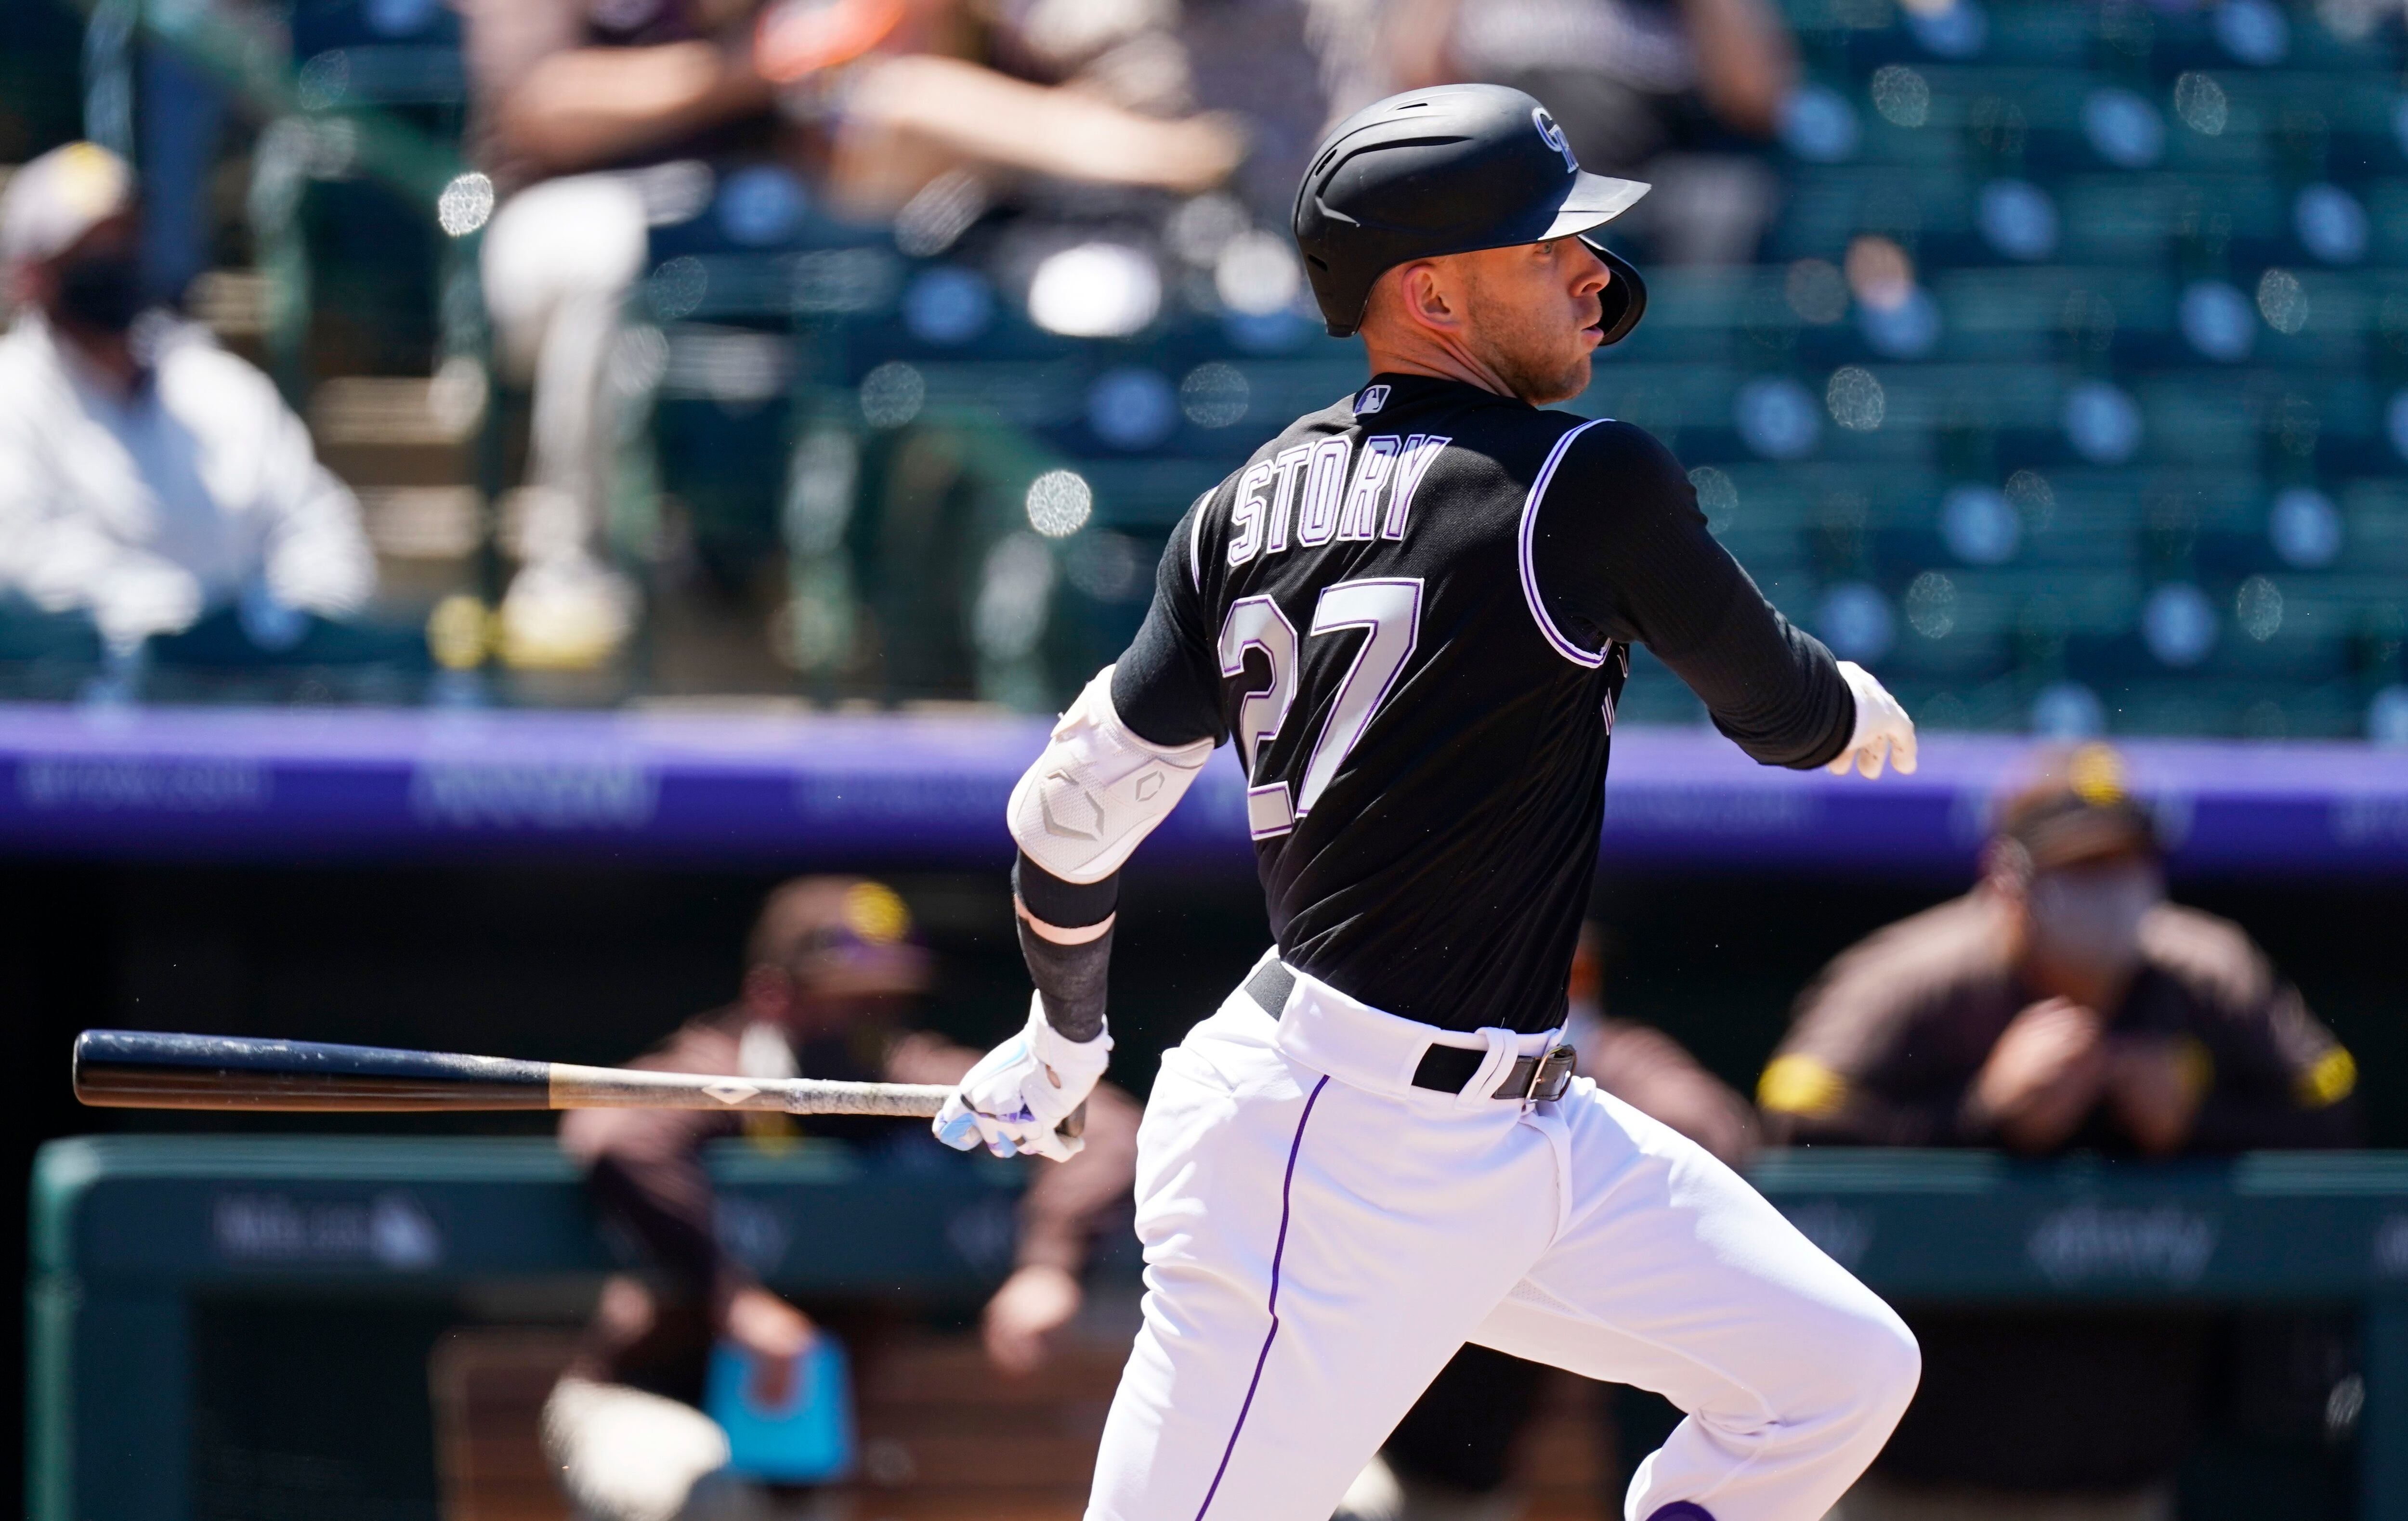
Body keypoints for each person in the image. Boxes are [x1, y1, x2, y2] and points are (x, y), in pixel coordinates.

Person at [929, 82, 1924, 1521]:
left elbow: (1069, 809)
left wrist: (1060, 1025)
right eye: (1547, 248)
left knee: (1830, 1373)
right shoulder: (1581, 477)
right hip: (1336, 1144)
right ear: (1430, 294)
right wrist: (1844, 697)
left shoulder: (1240, 503)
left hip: (1519, 1129)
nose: (1593, 273)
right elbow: (1783, 717)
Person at [459, 0, 1244, 669]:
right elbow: (541, 110)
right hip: (562, 208)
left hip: (775, 213)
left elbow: (867, 104)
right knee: (611, 264)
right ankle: (572, 569)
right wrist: (745, 66)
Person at [1758, 746, 2362, 1521]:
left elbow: (2333, 1119)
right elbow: (1786, 1134)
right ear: (2007, 878)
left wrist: (2198, 1119)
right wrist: (1981, 1114)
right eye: (2080, 869)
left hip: (2121, 1484)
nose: (2109, 892)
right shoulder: (1918, 981)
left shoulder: (2205, 975)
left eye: (2126, 863)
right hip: (1910, 1481)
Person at [542, 875, 1140, 1521]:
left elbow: (1101, 1125)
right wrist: (736, 1302)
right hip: (642, 1395)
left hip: (808, 1444)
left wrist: (1048, 1266)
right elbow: (612, 1131)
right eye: (851, 1000)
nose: (872, 1021)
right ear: (775, 996)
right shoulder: (726, 1068)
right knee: (707, 1487)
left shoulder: (903, 1075)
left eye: (890, 999)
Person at [1340, 924, 1763, 1521]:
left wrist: (1556, 1154)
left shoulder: (1605, 1058)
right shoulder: (1403, 1051)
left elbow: (1709, 1129)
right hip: (1361, 1424)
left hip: (1474, 1464)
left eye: (1572, 974)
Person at [0, 142, 377, 667]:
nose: (114, 262)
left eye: (126, 240)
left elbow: (315, 522)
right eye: (88, 250)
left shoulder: (219, 385)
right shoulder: (12, 393)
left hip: (255, 692)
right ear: (32, 273)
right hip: (80, 708)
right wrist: (185, 624)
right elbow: (29, 559)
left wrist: (291, 626)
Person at [1386, 0, 1795, 265]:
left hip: (1649, 188)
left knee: (1721, 203)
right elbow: (1417, 88)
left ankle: (1691, 388)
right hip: (1510, 184)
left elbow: (1757, 101)